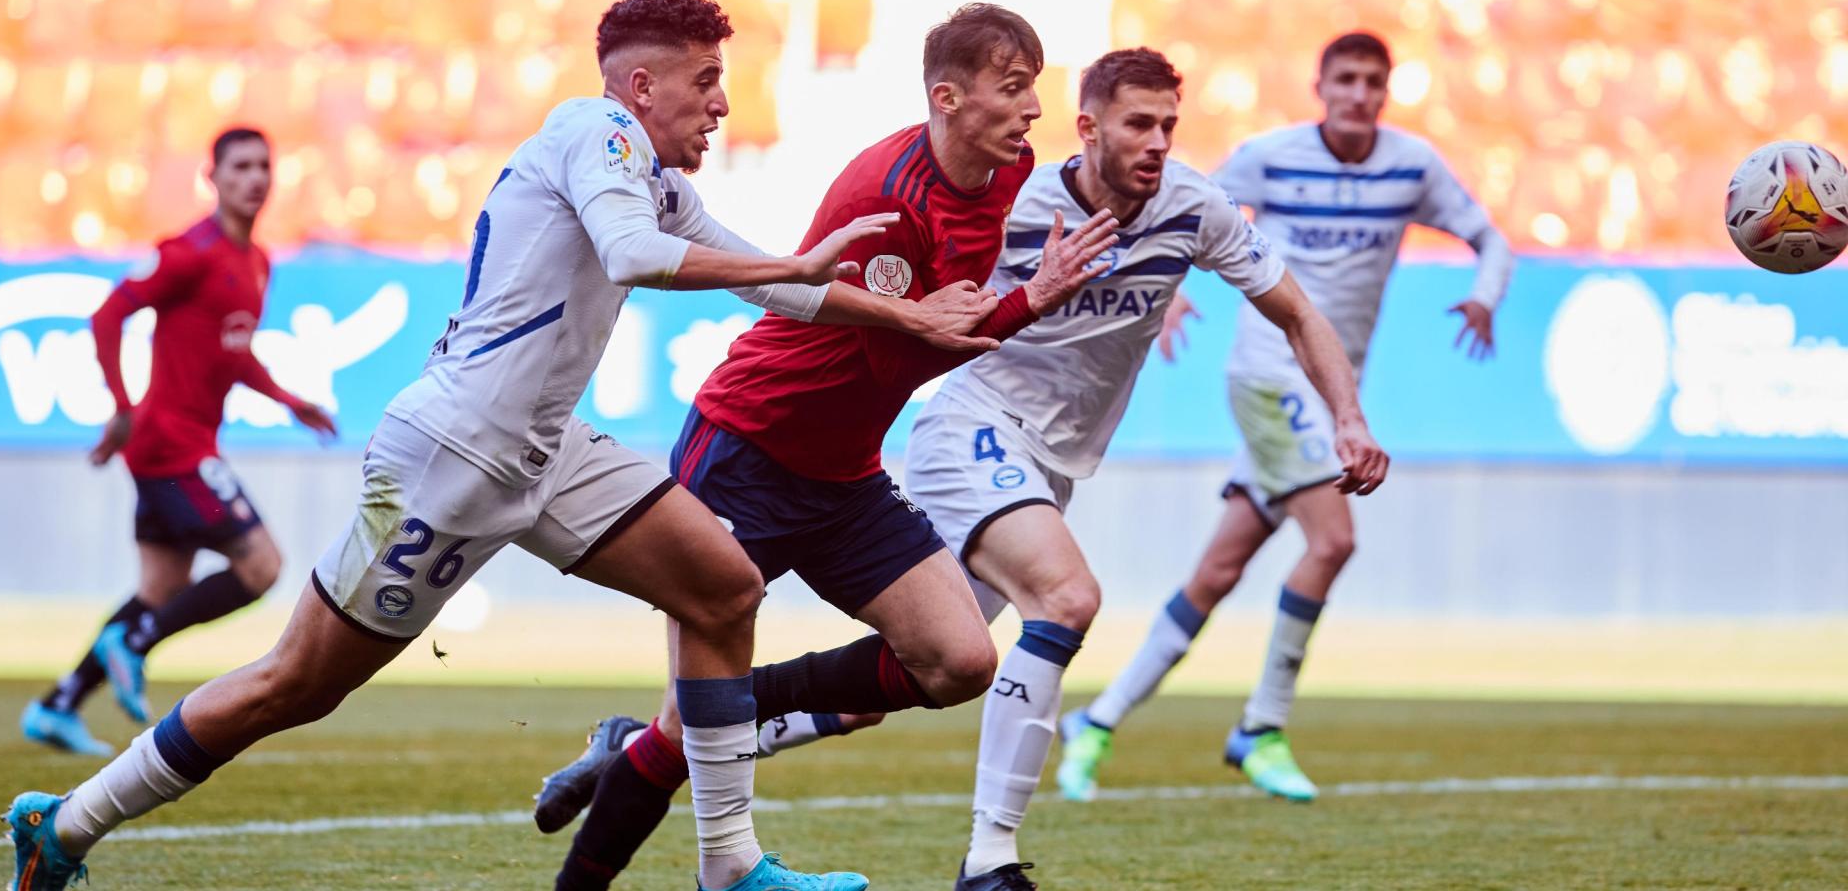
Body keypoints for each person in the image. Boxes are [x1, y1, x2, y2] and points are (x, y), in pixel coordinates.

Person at [4, 0, 1001, 891]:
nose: (722, 104)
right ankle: (68, 823)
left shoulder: (652, 177)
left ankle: (730, 864)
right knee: (293, 685)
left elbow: (772, 285)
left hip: (543, 448)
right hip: (454, 457)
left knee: (724, 587)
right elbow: (634, 256)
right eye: (705, 81)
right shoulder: (594, 131)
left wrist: (904, 315)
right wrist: (798, 267)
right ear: (642, 86)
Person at [549, 48, 1390, 890]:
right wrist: (1029, 297)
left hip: (920, 466)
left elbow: (1297, 312)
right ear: (1089, 127)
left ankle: (658, 735)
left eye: (1170, 124)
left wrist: (1348, 419)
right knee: (1066, 598)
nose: (1160, 142)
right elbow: (903, 343)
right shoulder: (999, 198)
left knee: (939, 668)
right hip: (934, 434)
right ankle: (989, 859)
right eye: (1140, 123)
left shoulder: (1183, 207)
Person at [542, 3, 1119, 891]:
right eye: (1013, 88)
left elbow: (940, 320)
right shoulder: (886, 196)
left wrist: (1017, 297)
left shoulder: (1008, 172)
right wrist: (1028, 301)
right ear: (948, 97)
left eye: (1033, 88)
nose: (1033, 109)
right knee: (686, 729)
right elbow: (900, 354)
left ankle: (723, 708)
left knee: (960, 662)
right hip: (747, 450)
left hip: (846, 473)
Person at [1059, 30, 1514, 805]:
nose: (1359, 94)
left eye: (1373, 81)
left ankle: (1096, 721)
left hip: (1326, 390)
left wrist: (1484, 296)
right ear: (1321, 87)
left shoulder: (1412, 165)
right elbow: (1181, 207)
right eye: (1346, 79)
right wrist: (1172, 289)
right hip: (1269, 376)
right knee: (1333, 541)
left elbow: (1490, 240)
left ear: (1386, 92)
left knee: (1217, 573)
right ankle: (1261, 727)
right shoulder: (1273, 156)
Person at [21, 127, 337, 758]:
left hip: (182, 443)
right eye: (240, 167)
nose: (254, 178)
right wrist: (121, 408)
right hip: (171, 445)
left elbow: (234, 352)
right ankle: (135, 643)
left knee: (160, 588)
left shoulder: (257, 262)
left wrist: (289, 400)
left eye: (263, 166)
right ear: (211, 178)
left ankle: (57, 705)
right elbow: (108, 314)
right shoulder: (188, 253)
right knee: (261, 567)